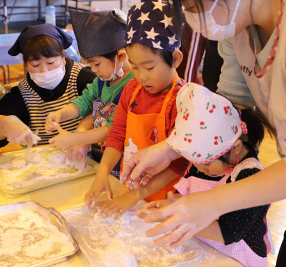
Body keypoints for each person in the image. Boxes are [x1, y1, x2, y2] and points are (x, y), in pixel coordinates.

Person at [119, 0, 286, 263]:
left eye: (189, 4)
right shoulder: (237, 29)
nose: (187, 14)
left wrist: (210, 203)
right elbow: (230, 106)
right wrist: (169, 149)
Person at [142, 83, 274, 266]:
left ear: (235, 148)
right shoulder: (204, 160)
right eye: (196, 163)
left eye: (207, 164)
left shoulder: (250, 176)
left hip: (238, 258)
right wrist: (172, 205)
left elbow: (228, 232)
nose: (200, 169)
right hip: (206, 249)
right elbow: (189, 193)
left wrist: (179, 218)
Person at [84, 0, 189, 213]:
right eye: (135, 66)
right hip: (130, 193)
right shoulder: (132, 89)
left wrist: (134, 196)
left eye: (149, 67)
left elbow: (179, 163)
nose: (141, 76)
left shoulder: (184, 100)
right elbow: (117, 133)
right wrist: (102, 172)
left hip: (166, 201)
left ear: (175, 59)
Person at [0, 24, 96, 148]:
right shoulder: (22, 93)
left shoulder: (86, 78)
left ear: (63, 56)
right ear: (26, 65)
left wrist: (81, 136)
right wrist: (3, 124)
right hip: (43, 163)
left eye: (50, 62)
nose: (44, 71)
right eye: (35, 65)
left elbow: (105, 109)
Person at [45, 9, 134, 165]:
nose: (93, 69)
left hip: (122, 162)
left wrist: (74, 138)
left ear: (121, 56)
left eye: (97, 63)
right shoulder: (102, 80)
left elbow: (113, 129)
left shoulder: (133, 86)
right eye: (90, 63)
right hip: (99, 157)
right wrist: (60, 114)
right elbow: (84, 101)